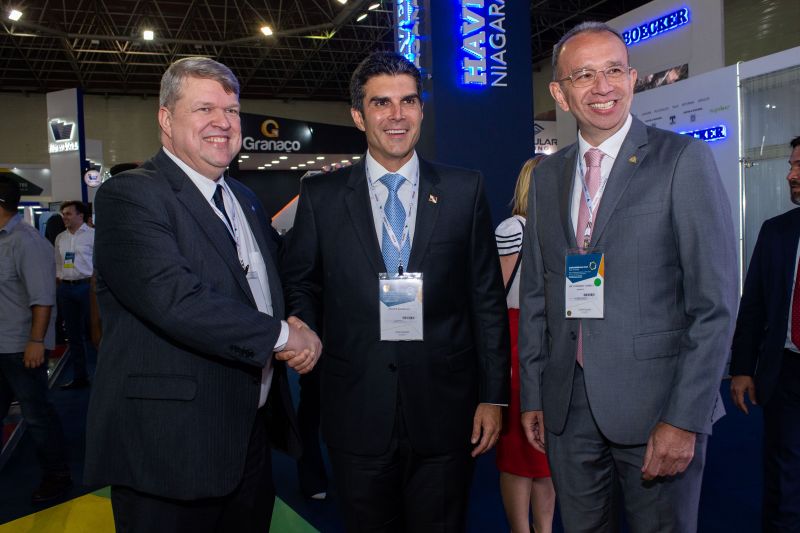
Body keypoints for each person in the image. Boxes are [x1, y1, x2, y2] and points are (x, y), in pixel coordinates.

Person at [83, 57, 321, 533]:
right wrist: (283, 337)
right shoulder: (132, 195)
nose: (223, 122)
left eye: (231, 111)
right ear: (166, 119)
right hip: (170, 447)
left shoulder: (244, 198)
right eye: (204, 109)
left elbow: (275, 276)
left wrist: (299, 316)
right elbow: (175, 299)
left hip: (247, 436)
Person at [518, 22, 738, 532]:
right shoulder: (548, 177)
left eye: (614, 70)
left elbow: (715, 304)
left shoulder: (682, 160)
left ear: (633, 78)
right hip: (567, 410)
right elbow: (538, 296)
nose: (603, 87)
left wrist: (684, 418)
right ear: (560, 92)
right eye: (585, 74)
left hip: (657, 408)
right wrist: (534, 394)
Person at [282, 51, 510, 532]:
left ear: (422, 110)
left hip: (447, 411)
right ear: (358, 114)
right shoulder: (321, 197)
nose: (397, 115)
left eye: (408, 101)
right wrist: (301, 318)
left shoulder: (464, 190)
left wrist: (494, 396)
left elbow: (486, 301)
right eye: (381, 103)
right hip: (356, 406)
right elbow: (302, 280)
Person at [730, 136, 800, 532]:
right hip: (786, 372)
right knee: (784, 481)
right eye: (790, 165)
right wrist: (742, 368)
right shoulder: (776, 232)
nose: (791, 174)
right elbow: (753, 306)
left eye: (799, 166)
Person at [0, 177, 72, 503]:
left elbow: (42, 297)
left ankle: (57, 475)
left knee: (36, 414)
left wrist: (35, 340)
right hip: (2, 344)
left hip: (19, 346)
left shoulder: (26, 241)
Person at [495, 156, 555, 533]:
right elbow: (496, 296)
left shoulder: (566, 228)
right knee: (518, 451)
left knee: (548, 455)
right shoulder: (512, 228)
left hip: (557, 343)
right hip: (519, 342)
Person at [54, 200, 94, 389]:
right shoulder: (60, 238)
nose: (65, 217)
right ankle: (80, 377)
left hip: (87, 288)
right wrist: (59, 278)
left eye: (68, 214)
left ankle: (102, 377)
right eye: (63, 214)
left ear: (81, 215)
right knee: (73, 336)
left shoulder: (93, 236)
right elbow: (58, 263)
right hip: (66, 289)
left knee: (93, 334)